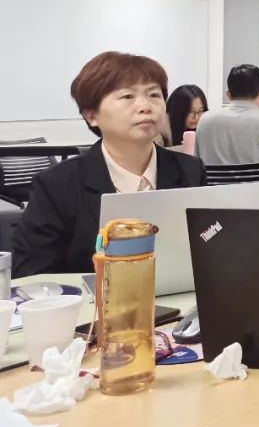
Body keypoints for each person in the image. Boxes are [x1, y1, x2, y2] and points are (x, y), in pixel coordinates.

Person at [13, 51, 206, 277]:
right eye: (128, 96)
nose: (145, 106)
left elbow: (208, 253)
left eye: (154, 94)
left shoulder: (190, 171)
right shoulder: (57, 185)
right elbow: (31, 274)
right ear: (92, 115)